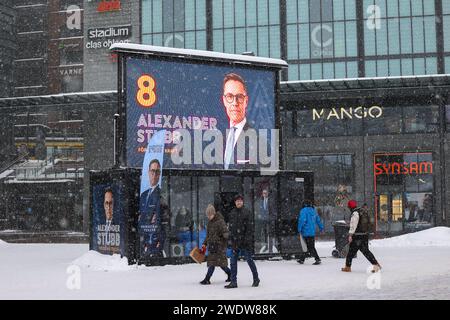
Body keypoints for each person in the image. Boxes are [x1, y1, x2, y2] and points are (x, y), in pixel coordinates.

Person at [225, 194, 260, 289]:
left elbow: (250, 229)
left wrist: (246, 240)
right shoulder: (232, 213)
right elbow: (231, 229)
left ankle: (256, 278)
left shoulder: (247, 212)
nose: (238, 202)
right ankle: (233, 282)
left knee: (249, 260)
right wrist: (230, 240)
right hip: (235, 242)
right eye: (237, 201)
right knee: (232, 262)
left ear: (243, 202)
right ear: (235, 202)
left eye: (240, 200)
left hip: (245, 242)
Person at [222, 73, 255, 169]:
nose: (234, 103)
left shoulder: (259, 141)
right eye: (229, 97)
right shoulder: (218, 137)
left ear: (246, 101)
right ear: (224, 100)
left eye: (239, 97)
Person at [342, 200, 381, 273]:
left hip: (357, 236)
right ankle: (376, 265)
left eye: (348, 207)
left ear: (350, 207)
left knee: (351, 252)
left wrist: (350, 234)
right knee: (366, 252)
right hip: (364, 235)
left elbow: (353, 225)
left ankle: (347, 267)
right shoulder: (362, 211)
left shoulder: (355, 213)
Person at [199, 204, 232, 285]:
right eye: (208, 215)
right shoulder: (210, 223)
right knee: (212, 263)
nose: (209, 217)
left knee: (221, 264)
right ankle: (207, 279)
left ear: (214, 213)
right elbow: (208, 235)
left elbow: (226, 232)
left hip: (220, 246)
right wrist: (204, 244)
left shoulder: (220, 221)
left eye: (210, 215)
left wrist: (224, 236)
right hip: (212, 246)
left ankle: (230, 274)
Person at [139, 159, 164, 257]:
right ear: (148, 172)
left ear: (160, 174)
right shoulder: (144, 195)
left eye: (157, 171)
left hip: (153, 242)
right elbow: (142, 218)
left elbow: (158, 220)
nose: (154, 174)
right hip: (144, 240)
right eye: (152, 171)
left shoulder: (160, 194)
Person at [297, 200, 324, 265]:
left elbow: (302, 220)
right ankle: (302, 259)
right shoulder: (314, 211)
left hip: (305, 231)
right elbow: (318, 220)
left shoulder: (303, 210)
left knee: (308, 246)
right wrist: (321, 228)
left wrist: (299, 229)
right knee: (308, 246)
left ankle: (317, 259)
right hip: (312, 232)